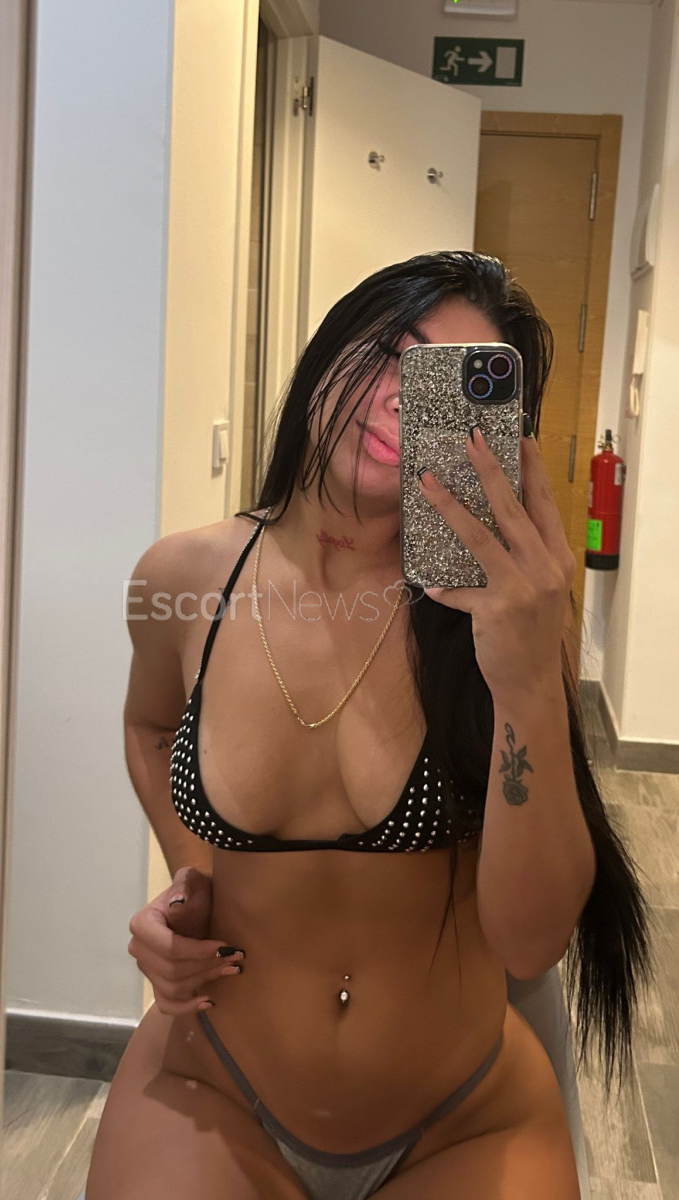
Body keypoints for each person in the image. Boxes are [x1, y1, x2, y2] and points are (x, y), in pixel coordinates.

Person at [85, 253, 651, 1199]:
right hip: (212, 1086)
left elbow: (531, 942)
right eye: (392, 350)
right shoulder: (182, 580)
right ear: (327, 351)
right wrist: (197, 880)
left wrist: (525, 679)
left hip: (461, 1120)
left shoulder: (499, 616)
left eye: (443, 385)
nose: (398, 397)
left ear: (488, 432)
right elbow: (148, 728)